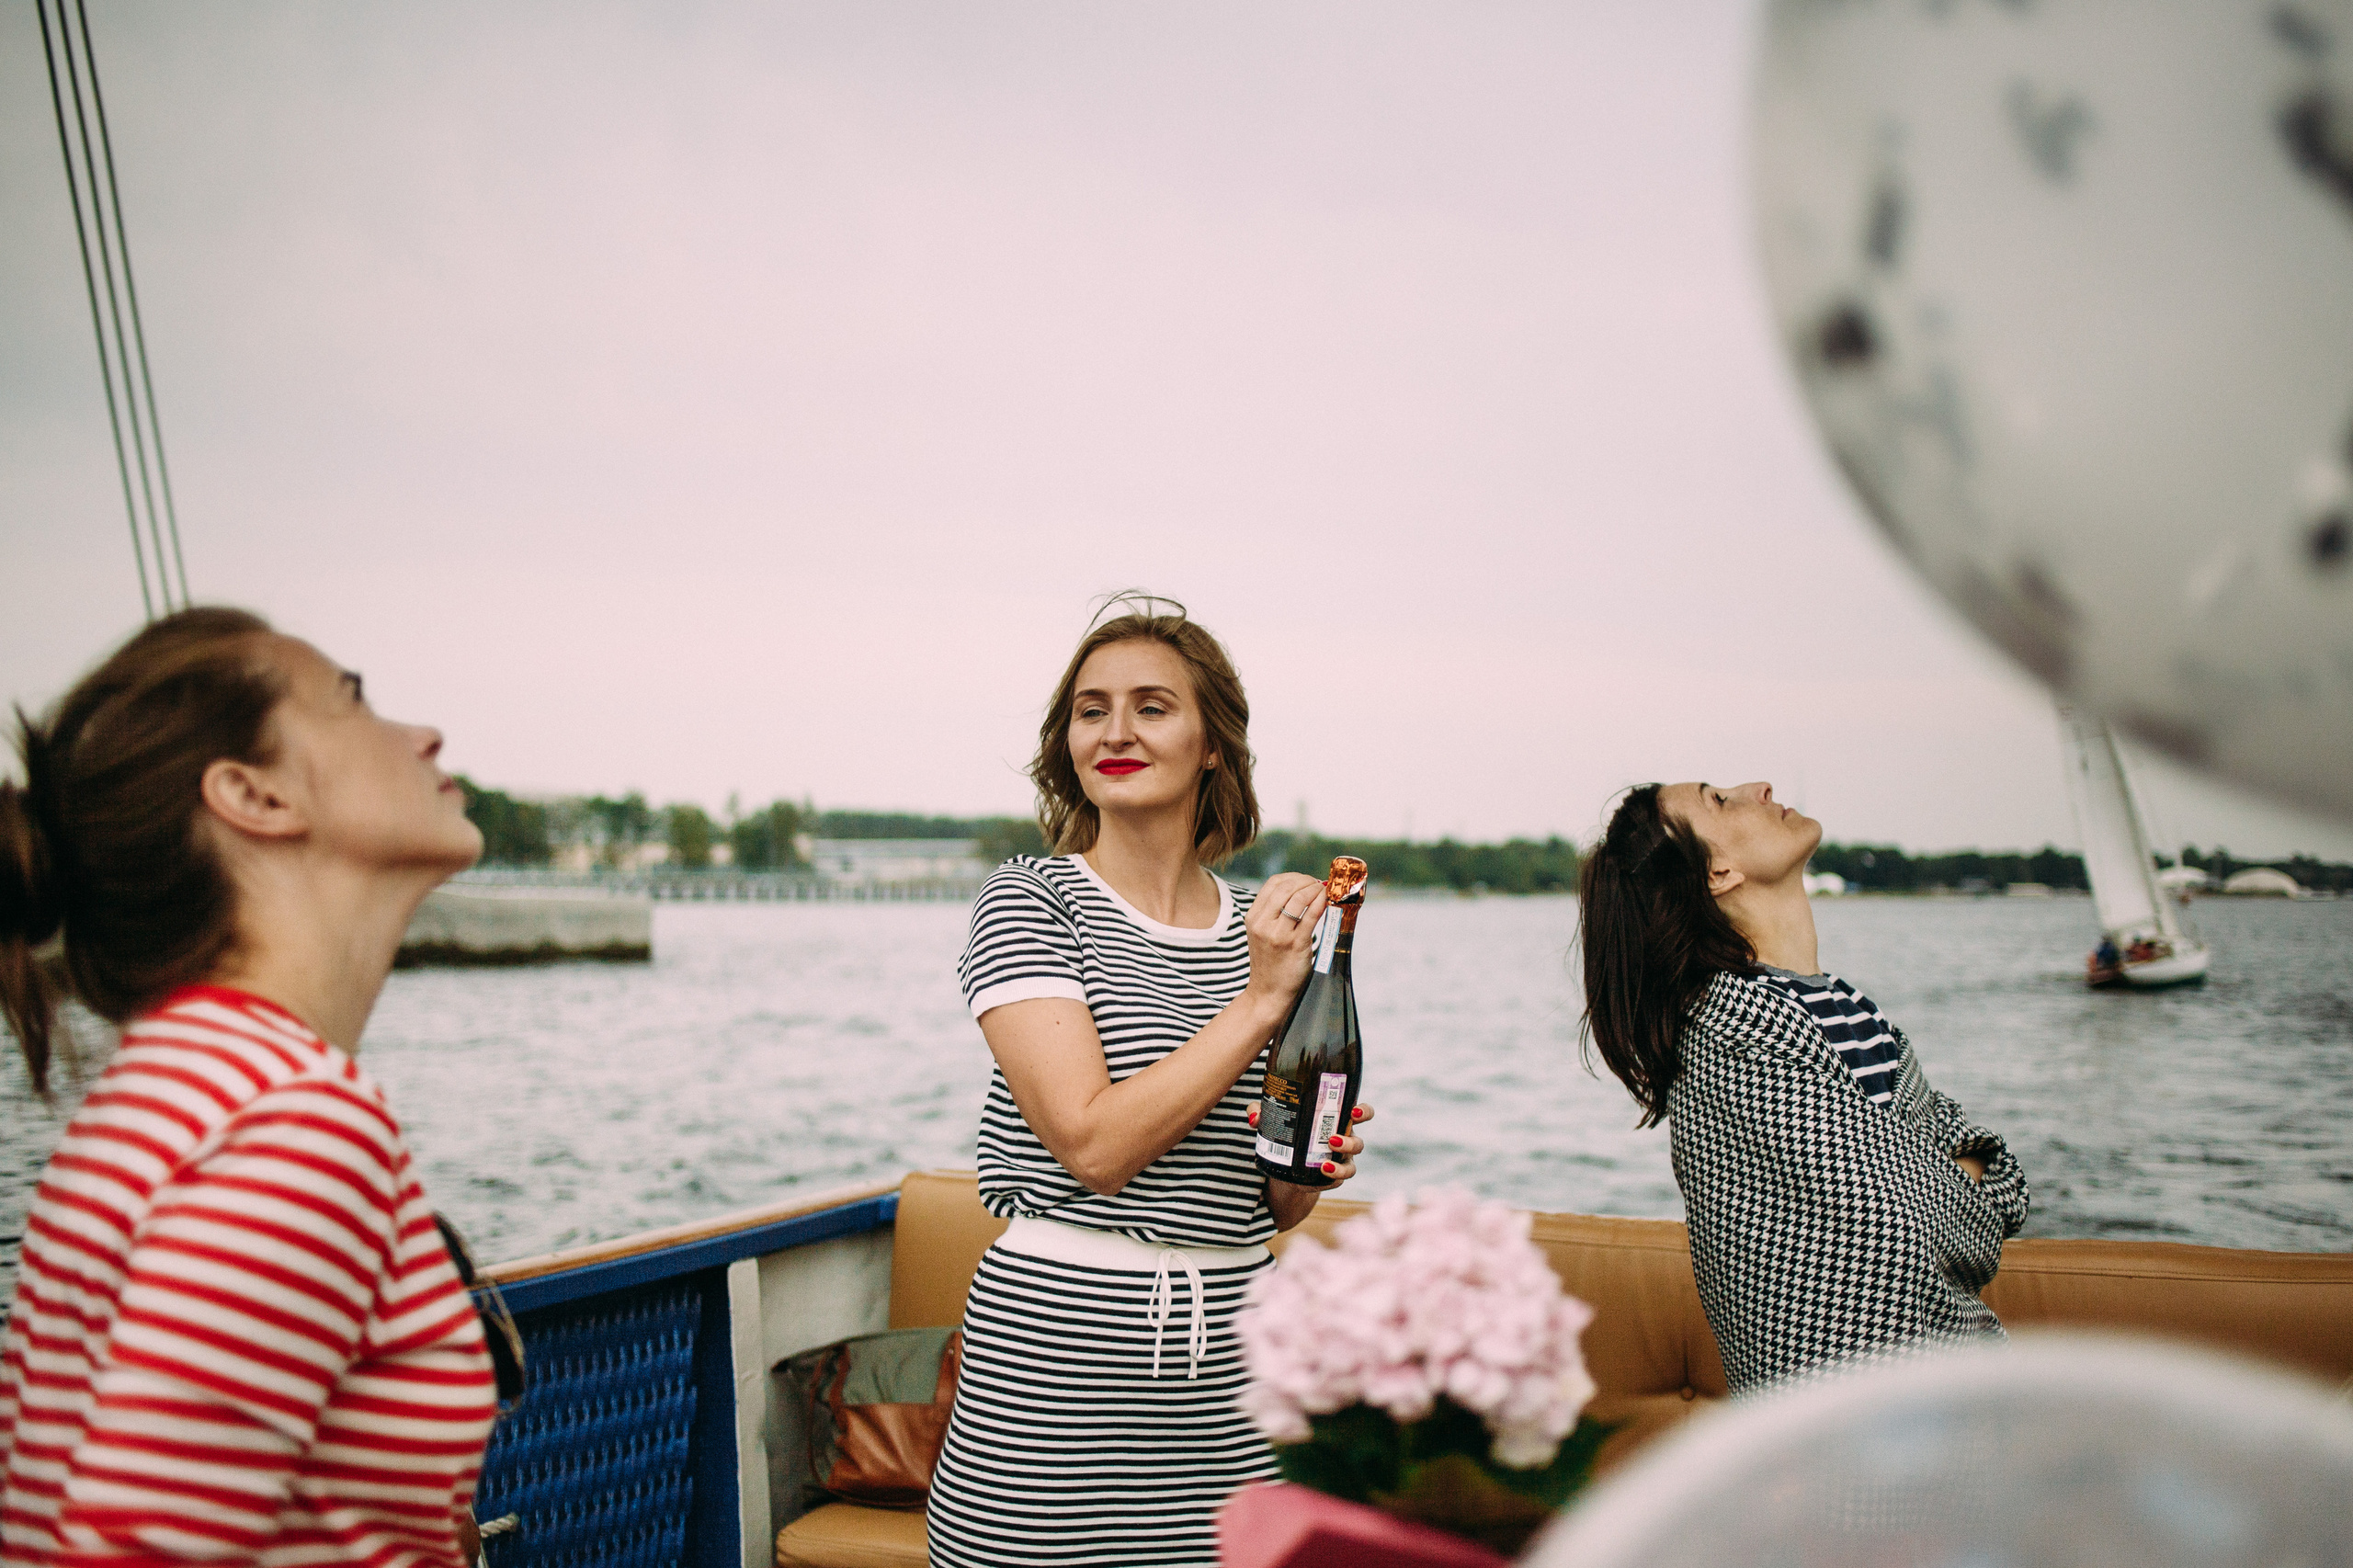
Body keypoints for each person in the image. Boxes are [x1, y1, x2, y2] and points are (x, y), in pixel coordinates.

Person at [0, 608, 500, 1566]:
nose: (423, 733)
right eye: (352, 698)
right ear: (252, 795)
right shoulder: (294, 1122)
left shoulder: (162, 1094)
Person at [926, 599, 1372, 1568]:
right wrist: (1259, 1004)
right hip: (1055, 1382)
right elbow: (1091, 1145)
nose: (1116, 730)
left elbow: (1272, 1205)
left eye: (1151, 706)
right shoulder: (1031, 899)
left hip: (1234, 1387)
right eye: (1091, 710)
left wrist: (1311, 1162)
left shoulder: (1268, 927)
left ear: (1213, 743)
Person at [1575, 781, 2029, 1395]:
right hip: (1850, 1440)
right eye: (1719, 801)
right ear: (1718, 872)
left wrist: (1942, 1183)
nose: (1757, 787)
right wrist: (1954, 1177)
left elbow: (2001, 1185)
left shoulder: (1852, 1011)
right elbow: (1929, 1231)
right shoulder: (1730, 1031)